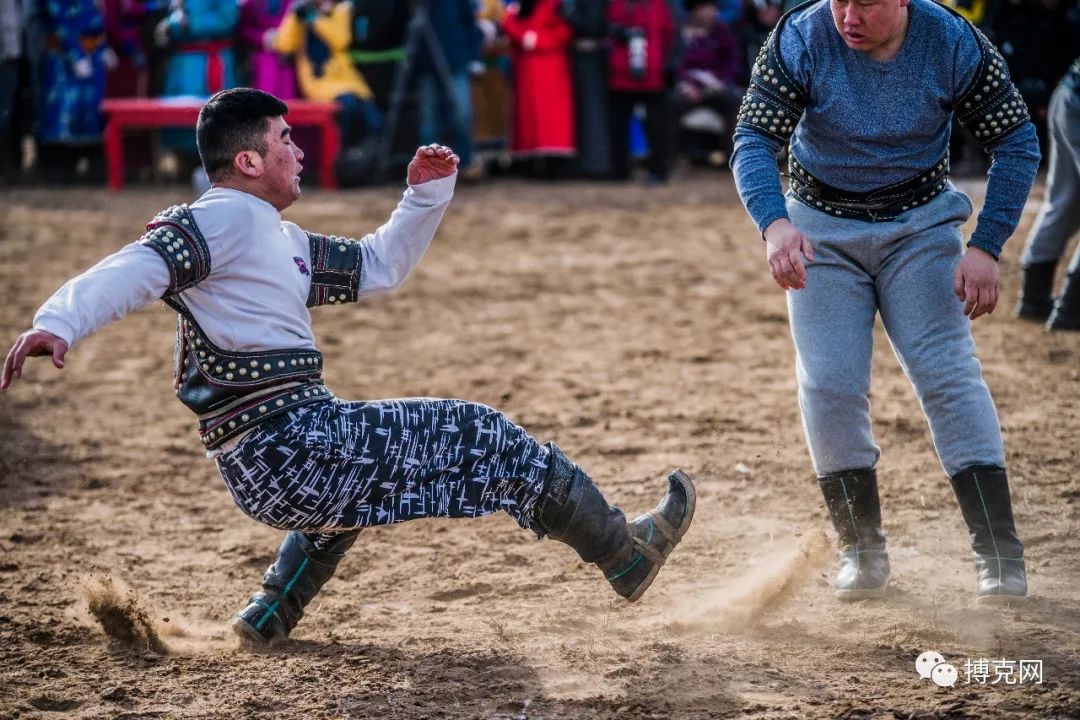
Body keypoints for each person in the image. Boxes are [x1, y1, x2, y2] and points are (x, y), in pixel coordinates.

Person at [1, 87, 696, 646]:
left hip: (272, 464)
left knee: (358, 481)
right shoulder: (220, 221)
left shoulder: (274, 238)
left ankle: (268, 616)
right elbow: (137, 267)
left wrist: (423, 196)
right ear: (247, 162)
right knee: (480, 433)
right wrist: (58, 321)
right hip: (289, 450)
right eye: (285, 140)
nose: (297, 151)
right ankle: (624, 554)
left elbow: (379, 266)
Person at [731, 0, 1040, 604]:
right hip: (818, 229)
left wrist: (988, 246)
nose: (848, 14)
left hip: (922, 228)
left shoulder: (952, 40)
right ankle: (861, 552)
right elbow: (752, 138)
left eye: (866, 2)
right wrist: (774, 225)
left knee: (949, 376)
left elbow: (1017, 139)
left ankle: (1000, 555)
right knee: (830, 385)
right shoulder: (801, 34)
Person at [1016, 57, 1080, 331]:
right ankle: (1072, 306)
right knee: (1066, 200)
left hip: (1068, 92)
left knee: (1066, 200)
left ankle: (1035, 298)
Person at [271, 0, 383, 150]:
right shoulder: (303, 12)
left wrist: (316, 19)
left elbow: (341, 39)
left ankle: (365, 156)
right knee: (346, 110)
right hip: (319, 83)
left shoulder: (341, 9)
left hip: (347, 80)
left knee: (374, 119)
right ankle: (342, 156)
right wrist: (295, 15)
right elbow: (285, 44)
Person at [503, 0, 576, 177]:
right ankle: (531, 162)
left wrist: (537, 40)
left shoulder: (556, 6)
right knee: (529, 117)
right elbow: (510, 27)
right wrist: (525, 35)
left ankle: (553, 165)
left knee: (552, 117)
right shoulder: (521, 7)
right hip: (528, 69)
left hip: (551, 67)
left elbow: (565, 31)